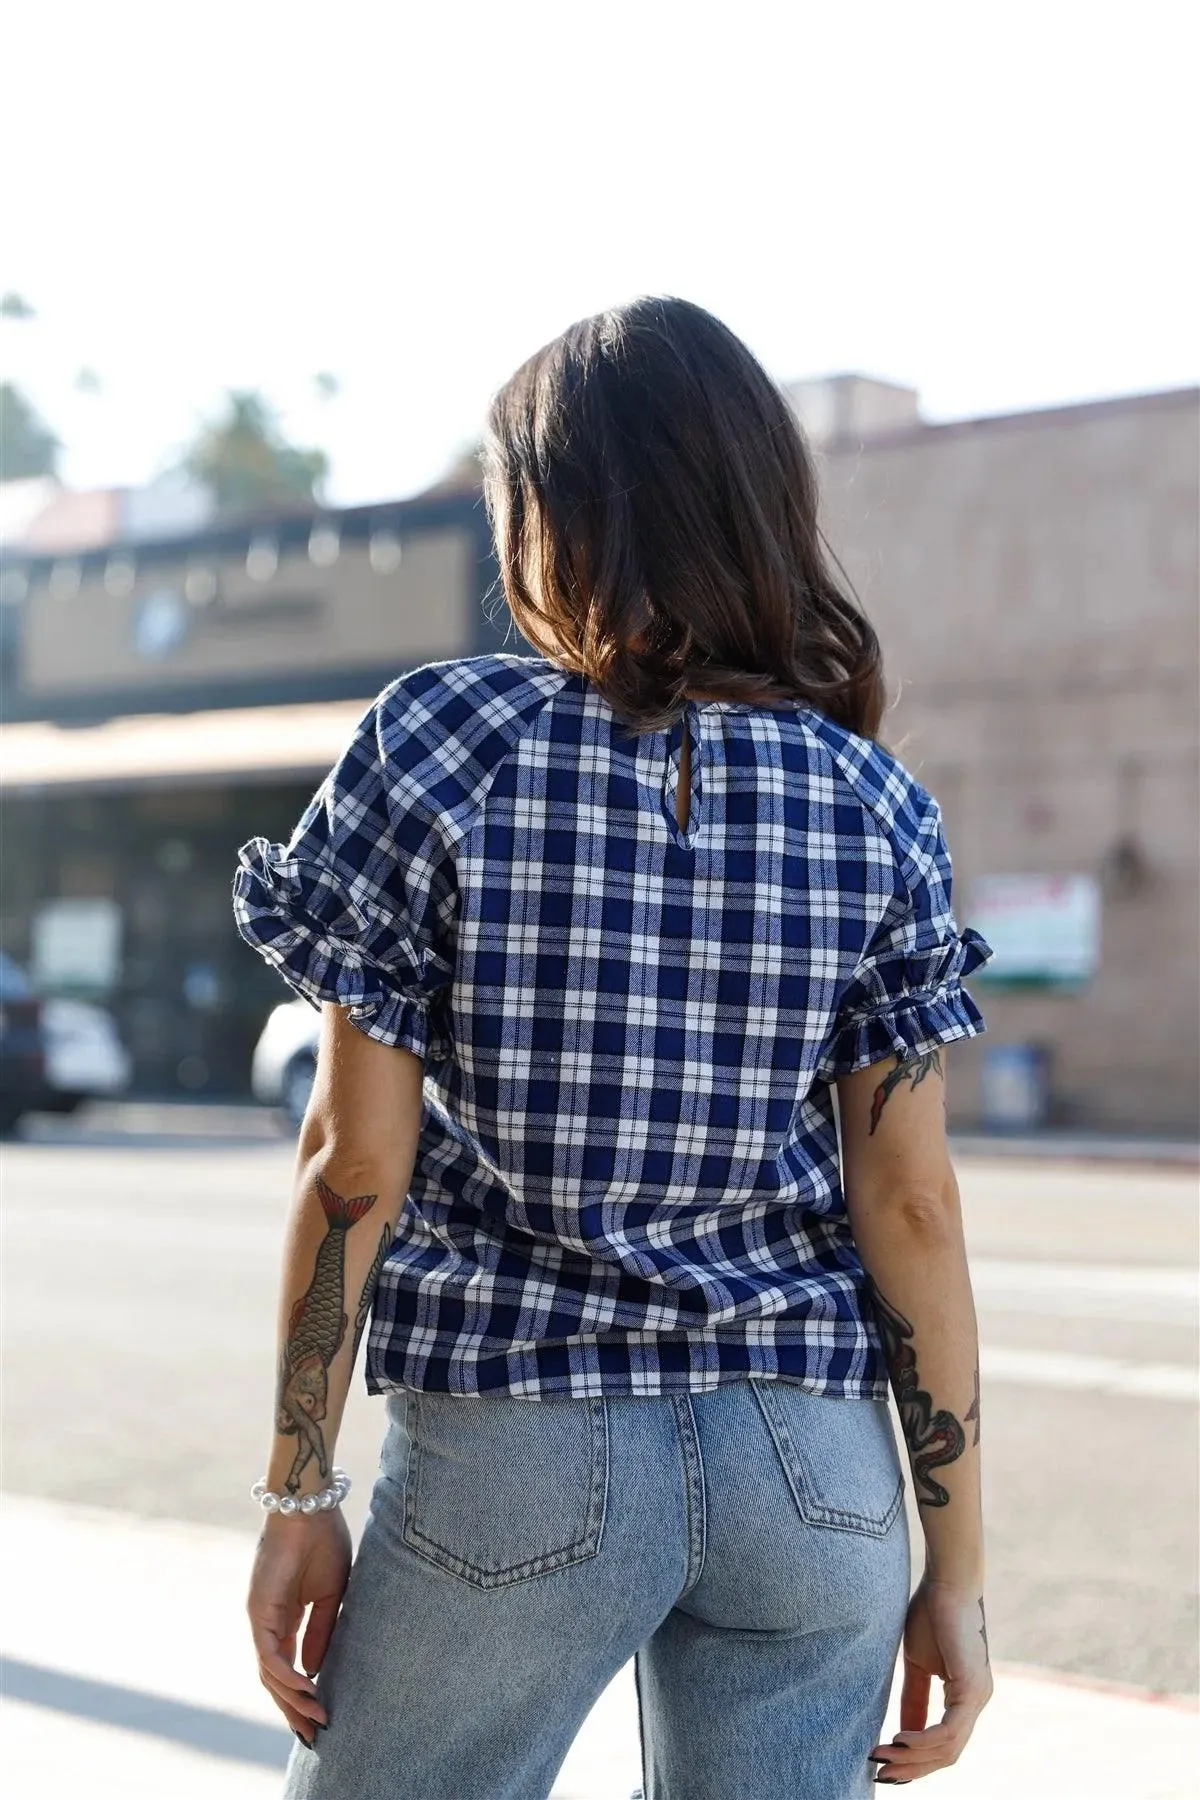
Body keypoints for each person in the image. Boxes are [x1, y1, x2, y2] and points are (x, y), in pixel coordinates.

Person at [233, 296, 995, 1800]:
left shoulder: (440, 742)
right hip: (815, 1473)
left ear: (550, 515)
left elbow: (353, 1160)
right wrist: (956, 1572)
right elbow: (908, 1204)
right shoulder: (873, 801)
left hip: (523, 1443)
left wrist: (296, 1488)